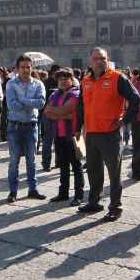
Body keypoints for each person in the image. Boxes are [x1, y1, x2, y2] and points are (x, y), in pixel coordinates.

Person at [75, 47, 140, 222]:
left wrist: (124, 120)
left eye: (102, 58)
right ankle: (94, 202)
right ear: (90, 61)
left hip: (110, 134)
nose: (99, 61)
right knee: (94, 171)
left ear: (107, 59)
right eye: (95, 59)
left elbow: (136, 99)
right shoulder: (86, 80)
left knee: (114, 173)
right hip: (91, 133)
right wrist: (77, 127)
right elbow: (81, 105)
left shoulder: (118, 78)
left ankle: (115, 207)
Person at [5, 54, 47, 203]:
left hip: (31, 126)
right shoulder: (11, 84)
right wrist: (31, 102)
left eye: (28, 67)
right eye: (22, 67)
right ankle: (13, 191)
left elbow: (41, 103)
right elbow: (11, 105)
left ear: (32, 67)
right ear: (17, 69)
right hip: (14, 126)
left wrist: (21, 100)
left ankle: (32, 189)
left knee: (32, 160)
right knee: (14, 160)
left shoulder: (38, 84)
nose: (26, 70)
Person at [45, 69, 84, 206]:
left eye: (65, 78)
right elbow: (46, 112)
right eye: (60, 79)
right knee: (63, 166)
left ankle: (79, 195)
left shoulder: (77, 94)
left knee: (77, 166)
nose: (62, 81)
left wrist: (57, 112)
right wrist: (65, 116)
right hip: (59, 135)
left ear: (72, 80)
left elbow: (59, 110)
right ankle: (63, 193)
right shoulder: (54, 94)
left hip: (76, 135)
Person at [40, 64, 61, 171]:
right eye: (57, 73)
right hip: (48, 115)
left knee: (58, 139)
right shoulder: (45, 84)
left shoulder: (60, 82)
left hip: (59, 114)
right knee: (48, 140)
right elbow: (43, 101)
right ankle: (46, 163)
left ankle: (58, 162)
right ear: (52, 73)